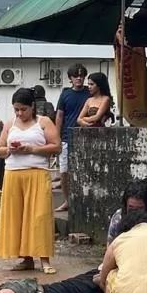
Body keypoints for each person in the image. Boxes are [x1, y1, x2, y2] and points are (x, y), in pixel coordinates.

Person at [0, 87, 61, 275]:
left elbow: (56, 146)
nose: (19, 113)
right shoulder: (10, 124)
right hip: (13, 173)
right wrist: (9, 150)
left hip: (37, 172)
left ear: (32, 107)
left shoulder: (44, 122)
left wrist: (32, 149)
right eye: (16, 109)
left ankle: (45, 259)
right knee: (18, 217)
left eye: (23, 109)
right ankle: (26, 258)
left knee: (40, 217)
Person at [54, 63, 90, 213]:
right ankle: (67, 200)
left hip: (86, 137)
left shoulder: (90, 93)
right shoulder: (65, 94)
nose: (79, 78)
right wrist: (56, 137)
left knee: (85, 171)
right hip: (66, 137)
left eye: (82, 75)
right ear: (70, 78)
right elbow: (59, 115)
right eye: (76, 76)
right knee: (64, 172)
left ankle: (84, 200)